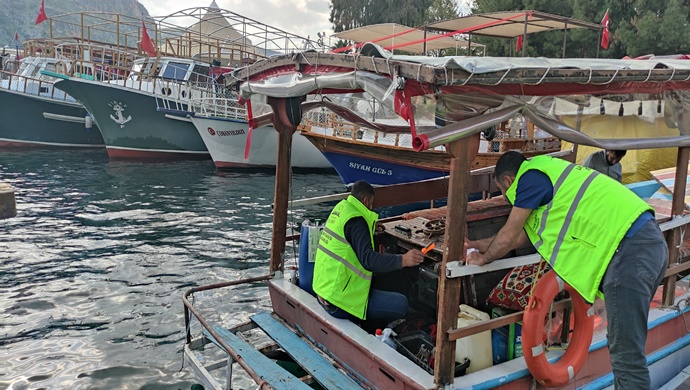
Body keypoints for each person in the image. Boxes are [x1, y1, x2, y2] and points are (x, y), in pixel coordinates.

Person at [466, 151, 668, 389]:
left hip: (628, 254)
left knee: (627, 358)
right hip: (644, 244)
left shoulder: (528, 179)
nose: (505, 197)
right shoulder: (547, 171)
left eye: (502, 191)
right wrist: (475, 246)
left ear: (508, 181)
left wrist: (482, 259)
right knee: (625, 350)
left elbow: (509, 235)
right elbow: (518, 237)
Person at [312, 180, 424, 326]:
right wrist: (404, 260)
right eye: (371, 203)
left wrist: (370, 228)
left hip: (323, 291)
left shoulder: (342, 209)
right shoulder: (357, 222)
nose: (372, 207)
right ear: (366, 201)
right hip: (339, 303)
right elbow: (369, 260)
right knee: (402, 304)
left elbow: (349, 238)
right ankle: (372, 326)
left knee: (384, 281)